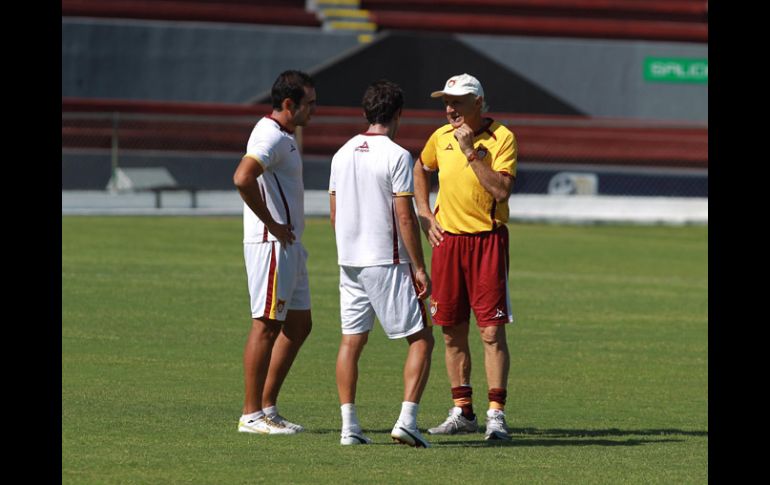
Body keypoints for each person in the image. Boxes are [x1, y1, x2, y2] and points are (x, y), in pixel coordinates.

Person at [329, 79, 434, 447]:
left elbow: (334, 212)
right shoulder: (397, 155)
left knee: (351, 342)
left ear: (366, 112)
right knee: (421, 339)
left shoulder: (341, 154)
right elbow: (404, 217)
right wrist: (419, 267)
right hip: (385, 260)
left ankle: (349, 428)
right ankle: (407, 420)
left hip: (350, 261)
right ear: (398, 114)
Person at [413, 73, 517, 441]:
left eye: (457, 101)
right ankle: (463, 410)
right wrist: (425, 213)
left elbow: (501, 191)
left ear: (478, 103)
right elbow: (421, 169)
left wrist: (471, 151)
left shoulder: (502, 137)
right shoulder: (439, 138)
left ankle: (496, 414)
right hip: (448, 244)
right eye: (446, 101)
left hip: (487, 243)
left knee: (491, 331)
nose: (449, 108)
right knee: (451, 331)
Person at [233, 70, 317, 435]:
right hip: (272, 244)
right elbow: (242, 177)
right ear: (289, 104)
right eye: (309, 104)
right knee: (266, 325)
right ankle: (251, 415)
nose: (313, 110)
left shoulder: (284, 135)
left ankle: (267, 407)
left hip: (290, 245)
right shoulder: (269, 134)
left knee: (299, 325)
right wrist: (272, 223)